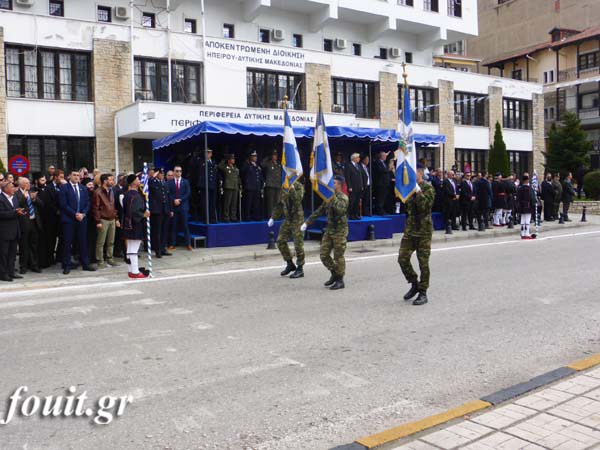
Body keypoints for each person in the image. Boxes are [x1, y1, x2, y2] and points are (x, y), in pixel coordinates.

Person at [301, 175, 349, 290]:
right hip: (330, 229)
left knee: (338, 256)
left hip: (340, 231)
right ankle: (334, 273)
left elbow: (340, 210)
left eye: (335, 183)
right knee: (324, 254)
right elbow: (319, 211)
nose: (332, 184)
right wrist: (307, 223)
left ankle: (340, 280)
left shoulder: (343, 198)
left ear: (339, 185)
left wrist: (332, 197)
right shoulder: (328, 197)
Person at [398, 164, 434, 306]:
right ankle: (414, 283)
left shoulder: (428, 188)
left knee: (423, 263)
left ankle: (423, 292)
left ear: (420, 173)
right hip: (410, 230)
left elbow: (425, 206)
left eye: (415, 174)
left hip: (423, 231)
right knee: (402, 259)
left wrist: (418, 192)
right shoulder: (410, 189)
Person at [58, 171, 96, 274]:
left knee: (83, 242)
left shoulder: (83, 188)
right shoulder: (64, 188)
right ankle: (66, 265)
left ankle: (85, 263)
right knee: (67, 242)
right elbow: (63, 204)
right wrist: (75, 214)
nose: (76, 177)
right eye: (74, 175)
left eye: (78, 175)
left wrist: (83, 213)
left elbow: (88, 202)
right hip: (69, 219)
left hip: (82, 219)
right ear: (69, 176)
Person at [268, 179, 305, 279]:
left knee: (298, 244)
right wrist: (273, 217)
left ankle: (300, 268)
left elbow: (297, 200)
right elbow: (280, 205)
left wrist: (292, 189)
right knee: (280, 241)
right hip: (288, 219)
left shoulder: (298, 186)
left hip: (297, 219)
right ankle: (290, 263)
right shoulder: (283, 187)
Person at [122, 174, 150, 279]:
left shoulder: (127, 195)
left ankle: (131, 269)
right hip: (135, 224)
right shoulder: (135, 195)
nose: (139, 180)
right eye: (137, 179)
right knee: (134, 248)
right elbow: (135, 211)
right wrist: (144, 214)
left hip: (128, 224)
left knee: (130, 248)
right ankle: (134, 271)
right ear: (133, 182)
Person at [14, 177, 43, 274]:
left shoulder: (31, 192)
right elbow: (17, 206)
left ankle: (34, 265)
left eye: (29, 182)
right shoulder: (17, 193)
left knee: (34, 245)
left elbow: (41, 205)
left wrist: (34, 199)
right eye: (26, 183)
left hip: (34, 222)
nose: (28, 184)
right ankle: (23, 266)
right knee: (24, 246)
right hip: (24, 223)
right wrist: (24, 197)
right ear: (21, 184)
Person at [92, 173, 120, 268]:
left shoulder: (111, 191)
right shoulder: (98, 192)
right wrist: (98, 221)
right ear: (105, 181)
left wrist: (116, 218)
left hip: (112, 218)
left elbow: (113, 206)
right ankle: (100, 260)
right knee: (101, 242)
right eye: (111, 179)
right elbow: (96, 208)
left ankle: (110, 258)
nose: (112, 181)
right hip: (103, 219)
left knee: (111, 241)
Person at [0, 181, 26, 282]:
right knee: (3, 254)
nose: (14, 189)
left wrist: (20, 211)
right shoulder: (1, 198)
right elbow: (1, 214)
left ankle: (11, 272)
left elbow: (16, 209)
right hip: (4, 231)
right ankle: (3, 274)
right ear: (5, 188)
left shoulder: (14, 197)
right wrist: (15, 212)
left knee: (12, 253)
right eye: (12, 187)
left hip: (15, 230)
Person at [148, 168, 172, 258]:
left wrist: (171, 209)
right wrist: (153, 177)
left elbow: (168, 197)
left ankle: (163, 248)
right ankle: (157, 250)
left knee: (164, 231)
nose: (162, 175)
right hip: (157, 211)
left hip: (165, 210)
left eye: (163, 173)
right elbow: (149, 184)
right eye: (160, 173)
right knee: (157, 232)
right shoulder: (153, 182)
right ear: (157, 174)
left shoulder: (164, 183)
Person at [167, 166, 192, 251]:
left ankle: (188, 244)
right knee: (174, 226)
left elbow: (188, 193)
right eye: (177, 171)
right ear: (174, 172)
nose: (178, 173)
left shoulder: (185, 182)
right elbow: (168, 194)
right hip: (174, 207)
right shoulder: (169, 182)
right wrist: (174, 200)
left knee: (185, 225)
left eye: (180, 171)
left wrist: (180, 200)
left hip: (183, 206)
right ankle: (172, 244)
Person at [240, 150, 264, 221]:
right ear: (250, 157)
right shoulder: (247, 165)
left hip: (256, 187)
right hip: (249, 187)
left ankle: (255, 216)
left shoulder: (257, 166)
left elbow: (259, 176)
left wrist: (261, 183)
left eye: (256, 156)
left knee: (256, 203)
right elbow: (242, 172)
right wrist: (246, 163)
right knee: (248, 203)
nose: (255, 157)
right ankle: (247, 216)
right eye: (254, 156)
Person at [197, 149, 218, 224]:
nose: (208, 154)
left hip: (212, 185)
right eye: (207, 152)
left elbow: (215, 173)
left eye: (210, 152)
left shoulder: (214, 162)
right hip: (205, 185)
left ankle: (212, 218)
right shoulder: (201, 162)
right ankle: (206, 219)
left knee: (212, 203)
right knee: (205, 203)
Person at [218, 154, 240, 223]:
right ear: (229, 160)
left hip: (235, 187)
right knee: (227, 203)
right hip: (228, 187)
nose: (233, 160)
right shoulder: (225, 167)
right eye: (232, 159)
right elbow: (219, 166)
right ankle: (226, 217)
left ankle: (233, 217)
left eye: (234, 159)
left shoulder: (235, 168)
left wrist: (240, 184)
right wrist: (224, 159)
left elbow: (237, 177)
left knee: (234, 203)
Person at [262, 150, 282, 219]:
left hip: (277, 185)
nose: (275, 156)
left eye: (276, 155)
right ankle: (270, 215)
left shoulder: (279, 164)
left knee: (277, 201)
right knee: (270, 202)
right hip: (270, 185)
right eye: (273, 155)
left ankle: (276, 215)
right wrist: (267, 157)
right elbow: (262, 164)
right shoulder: (268, 163)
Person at [516, 173, 536, 240]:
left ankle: (522, 233)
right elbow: (532, 198)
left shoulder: (519, 188)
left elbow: (518, 198)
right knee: (527, 220)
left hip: (521, 205)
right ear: (527, 180)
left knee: (522, 219)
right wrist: (534, 203)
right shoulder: (529, 188)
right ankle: (526, 233)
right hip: (528, 205)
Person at [345, 153, 363, 220]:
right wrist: (349, 186)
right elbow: (347, 177)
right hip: (352, 187)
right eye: (358, 157)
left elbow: (360, 176)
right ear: (354, 158)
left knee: (357, 201)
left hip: (358, 186)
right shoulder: (348, 165)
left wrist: (361, 185)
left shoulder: (358, 165)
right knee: (352, 201)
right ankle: (350, 215)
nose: (359, 159)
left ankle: (356, 214)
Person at [372, 151, 390, 215]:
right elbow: (381, 171)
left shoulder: (384, 163)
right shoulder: (377, 162)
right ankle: (379, 210)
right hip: (380, 183)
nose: (385, 157)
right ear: (381, 156)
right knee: (380, 198)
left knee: (384, 197)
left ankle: (383, 209)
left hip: (385, 183)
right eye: (384, 156)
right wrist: (388, 169)